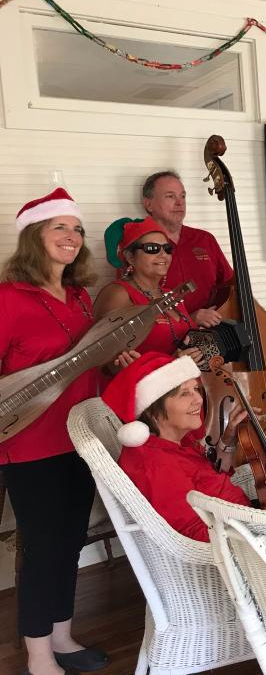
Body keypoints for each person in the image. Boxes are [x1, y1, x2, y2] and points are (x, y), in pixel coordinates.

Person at [0, 189, 108, 675]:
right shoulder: (7, 299)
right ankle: (38, 655)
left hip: (81, 438)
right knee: (43, 548)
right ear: (34, 237)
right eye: (59, 227)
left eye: (77, 229)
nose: (72, 236)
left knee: (69, 541)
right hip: (29, 446)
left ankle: (62, 636)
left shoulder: (82, 297)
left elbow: (87, 364)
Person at [103, 352, 266, 543]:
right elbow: (196, 536)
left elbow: (212, 478)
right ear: (152, 411)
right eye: (184, 394)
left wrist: (229, 437)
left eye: (195, 389)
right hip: (243, 539)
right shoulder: (155, 465)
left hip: (239, 516)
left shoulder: (175, 441)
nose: (198, 399)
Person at [94, 217, 202, 366]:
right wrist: (173, 364)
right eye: (152, 249)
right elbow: (103, 362)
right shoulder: (118, 294)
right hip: (141, 388)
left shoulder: (170, 293)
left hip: (185, 386)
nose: (163, 254)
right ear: (130, 257)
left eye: (167, 248)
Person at [141, 171, 233, 325]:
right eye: (170, 196)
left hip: (213, 332)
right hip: (167, 342)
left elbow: (233, 286)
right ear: (148, 204)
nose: (180, 203)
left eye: (182, 196)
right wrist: (190, 319)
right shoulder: (138, 246)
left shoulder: (205, 239)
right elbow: (133, 312)